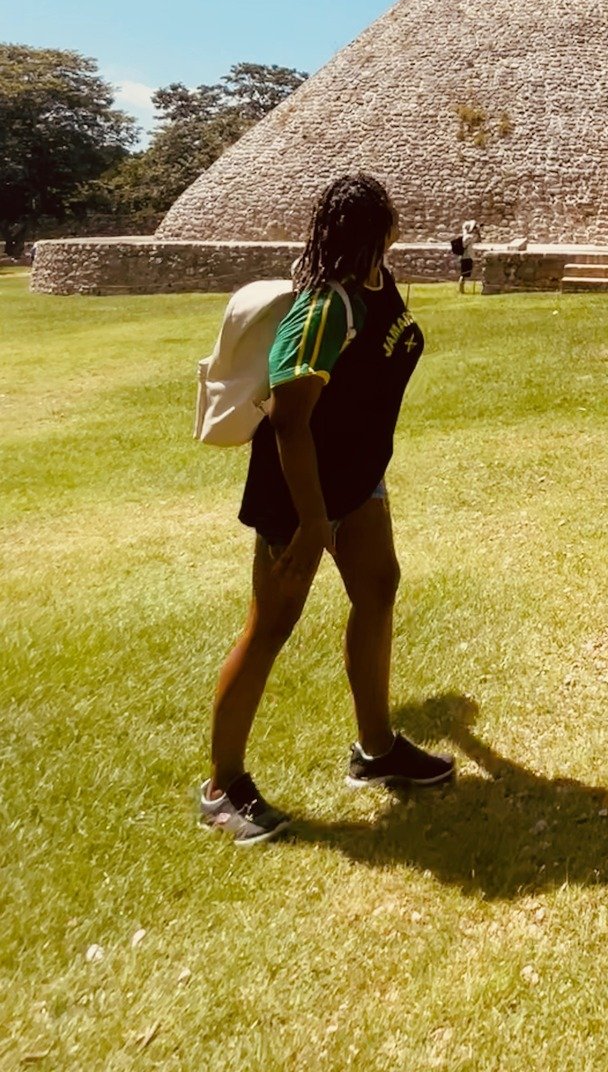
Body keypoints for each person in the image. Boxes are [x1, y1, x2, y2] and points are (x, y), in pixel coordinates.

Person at [200, 173, 453, 844]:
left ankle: (376, 752)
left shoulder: (379, 281)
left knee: (378, 590)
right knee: (270, 627)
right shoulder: (325, 309)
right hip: (298, 495)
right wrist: (313, 526)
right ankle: (223, 789)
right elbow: (288, 424)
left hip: (356, 481)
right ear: (381, 228)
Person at [455, 217, 479, 294]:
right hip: (466, 257)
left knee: (466, 274)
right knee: (464, 275)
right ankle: (461, 289)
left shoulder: (469, 237)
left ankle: (461, 289)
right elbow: (464, 245)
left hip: (468, 256)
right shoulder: (468, 237)